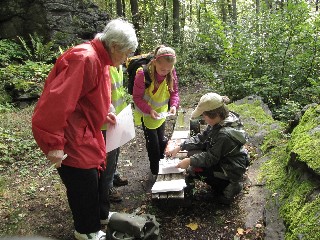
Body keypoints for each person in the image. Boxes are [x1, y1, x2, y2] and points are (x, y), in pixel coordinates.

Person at [31, 19, 138, 240]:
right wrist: (54, 144)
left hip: (85, 130)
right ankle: (86, 231)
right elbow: (55, 103)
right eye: (126, 53)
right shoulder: (84, 58)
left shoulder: (101, 59)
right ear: (115, 46)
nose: (126, 59)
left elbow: (90, 96)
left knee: (95, 177)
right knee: (83, 183)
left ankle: (98, 218)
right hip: (71, 135)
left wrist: (104, 112)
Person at [165, 92, 248, 205]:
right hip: (224, 158)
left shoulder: (224, 134)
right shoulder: (219, 122)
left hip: (231, 168)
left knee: (194, 169)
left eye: (205, 115)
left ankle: (232, 185)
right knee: (191, 153)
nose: (203, 118)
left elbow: (211, 158)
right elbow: (201, 138)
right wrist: (180, 146)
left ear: (215, 115)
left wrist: (190, 161)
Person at [132, 45, 180, 180]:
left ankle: (163, 165)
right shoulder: (143, 74)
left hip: (161, 114)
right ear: (154, 62)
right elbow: (137, 98)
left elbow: (174, 92)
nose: (165, 72)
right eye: (162, 69)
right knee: (153, 144)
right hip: (147, 114)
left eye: (168, 69)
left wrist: (174, 105)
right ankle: (156, 171)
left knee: (161, 139)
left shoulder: (171, 71)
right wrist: (149, 110)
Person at [101, 65, 128, 203]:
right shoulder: (105, 67)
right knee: (109, 155)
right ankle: (107, 187)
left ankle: (113, 175)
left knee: (116, 150)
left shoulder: (118, 66)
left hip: (118, 116)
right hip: (106, 121)